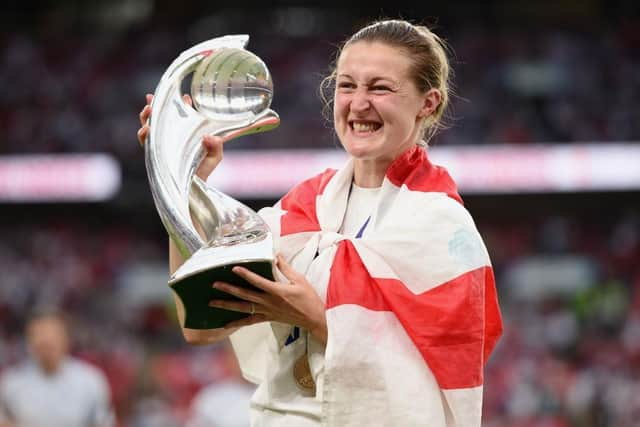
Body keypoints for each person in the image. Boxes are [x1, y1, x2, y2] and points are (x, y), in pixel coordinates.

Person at [138, 18, 503, 426]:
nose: (358, 104)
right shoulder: (302, 208)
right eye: (347, 86)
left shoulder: (440, 226)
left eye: (379, 87)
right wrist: (184, 182)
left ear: (427, 103)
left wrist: (315, 317)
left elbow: (442, 382)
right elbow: (200, 323)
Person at [0, 309, 115, 427]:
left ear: (66, 338)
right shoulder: (12, 382)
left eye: (52, 335)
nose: (46, 341)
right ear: (28, 340)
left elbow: (103, 422)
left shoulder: (90, 380)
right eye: (38, 335)